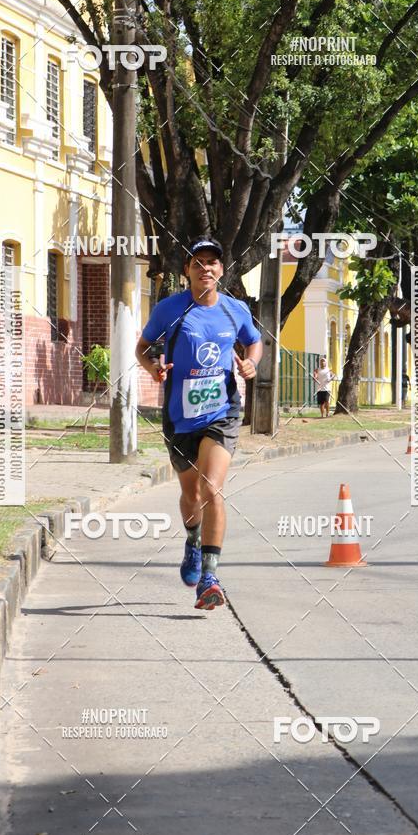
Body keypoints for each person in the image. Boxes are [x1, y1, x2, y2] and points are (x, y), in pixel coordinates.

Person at [135, 238, 262, 610]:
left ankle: (210, 576)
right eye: (198, 263)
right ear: (187, 270)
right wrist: (153, 368)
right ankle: (192, 540)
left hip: (222, 412)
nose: (205, 268)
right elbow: (142, 348)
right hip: (179, 417)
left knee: (211, 489)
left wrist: (251, 363)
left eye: (212, 263)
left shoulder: (234, 310)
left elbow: (254, 343)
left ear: (221, 270)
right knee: (191, 494)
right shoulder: (169, 309)